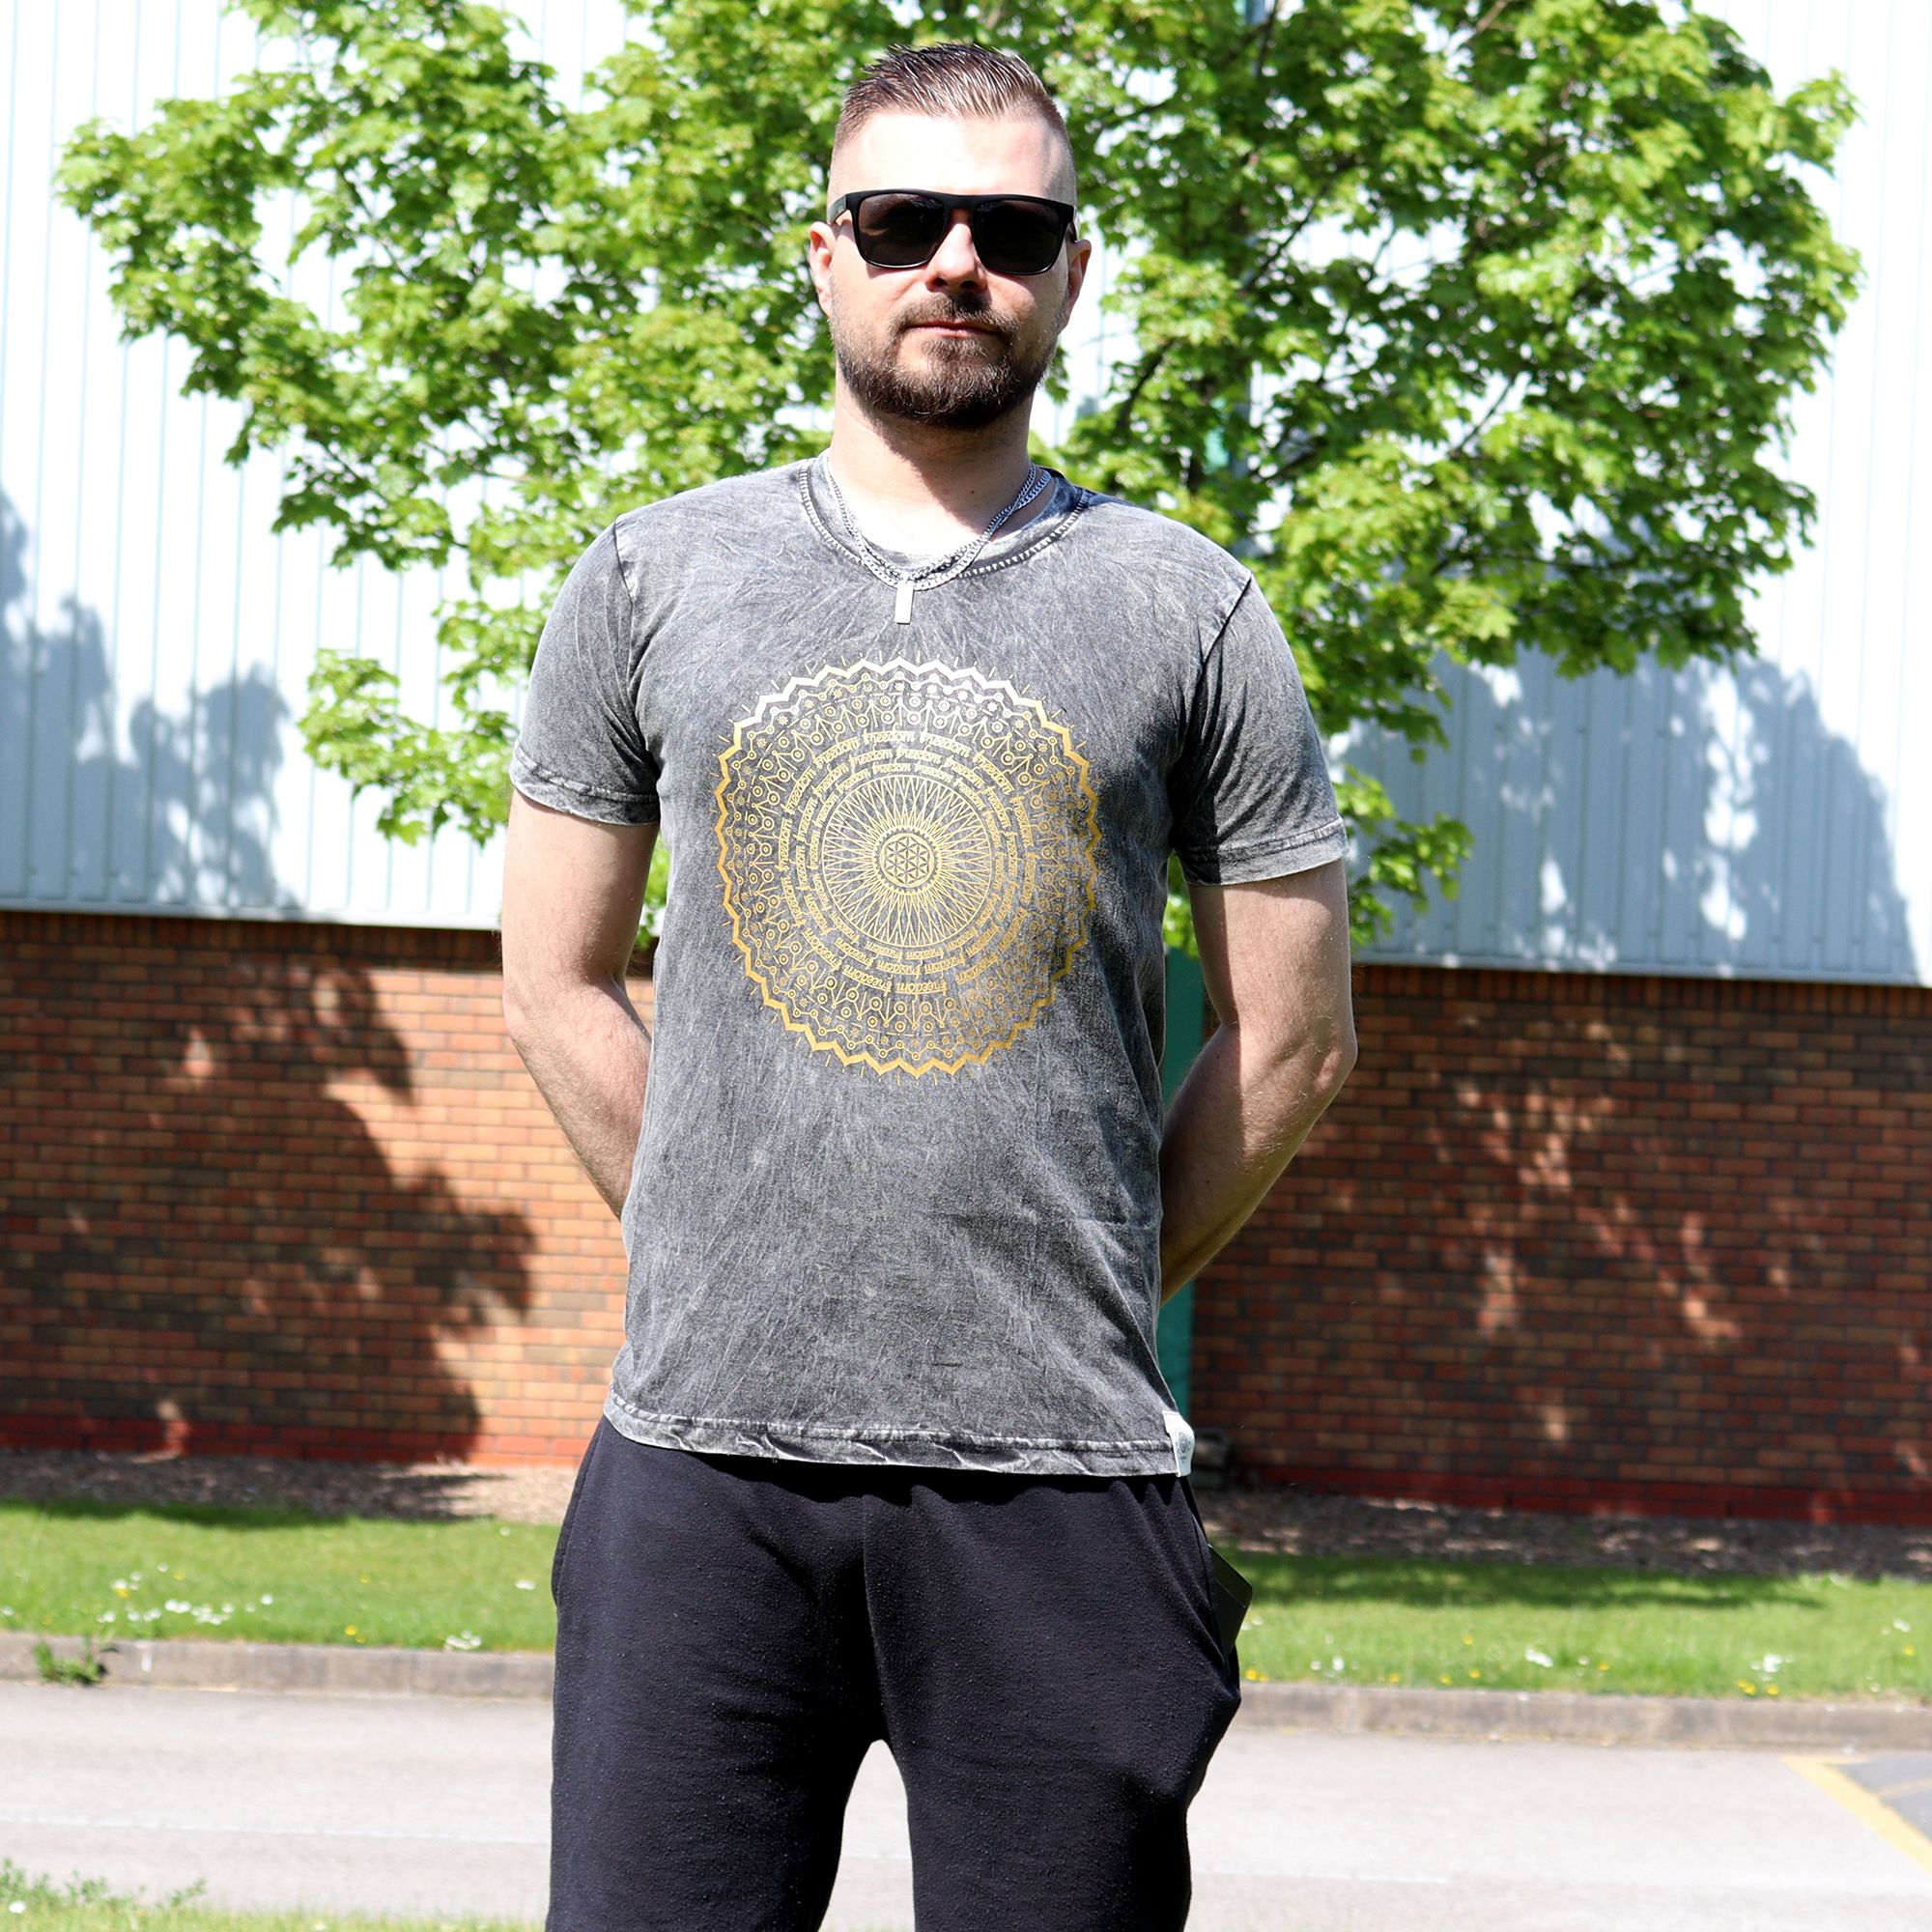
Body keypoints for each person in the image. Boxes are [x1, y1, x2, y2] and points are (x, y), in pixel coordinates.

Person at [499, 40, 1357, 1932]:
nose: (956, 261)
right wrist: (724, 1238)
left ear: (1071, 272)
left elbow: (1294, 1042)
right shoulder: (647, 579)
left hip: (1061, 1488)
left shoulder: (1194, 609)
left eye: (1011, 229)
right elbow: (554, 982)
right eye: (902, 220)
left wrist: (1071, 1276)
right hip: (701, 1472)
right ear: (826, 253)